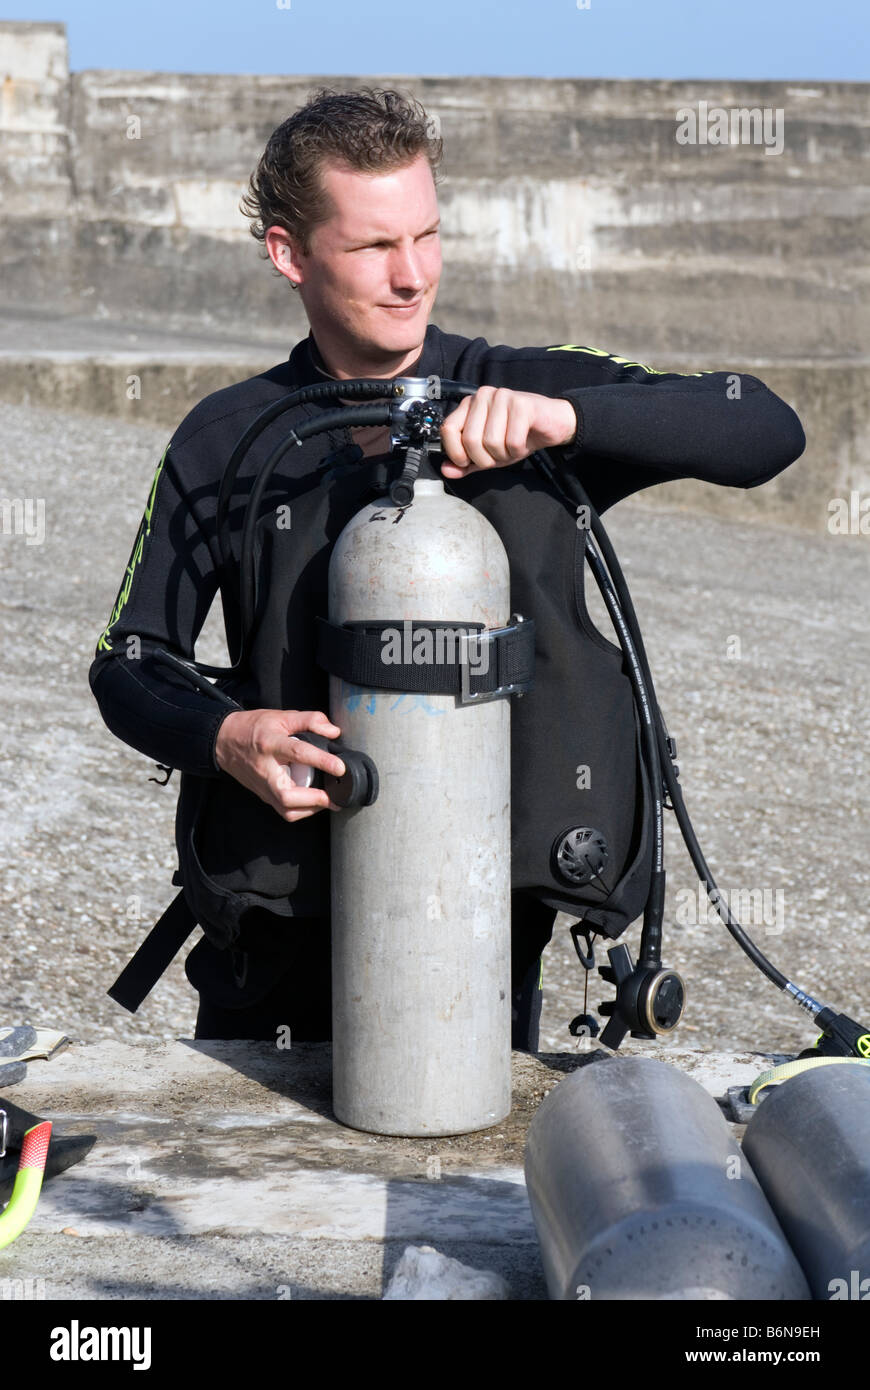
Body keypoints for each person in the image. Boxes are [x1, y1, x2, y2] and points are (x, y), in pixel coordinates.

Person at [89, 87, 806, 1051]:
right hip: (277, 949)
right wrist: (225, 734)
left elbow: (762, 425)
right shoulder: (230, 438)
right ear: (288, 254)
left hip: (479, 937)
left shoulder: (529, 394)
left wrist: (569, 421)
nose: (412, 275)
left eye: (426, 235)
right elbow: (130, 661)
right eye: (374, 246)